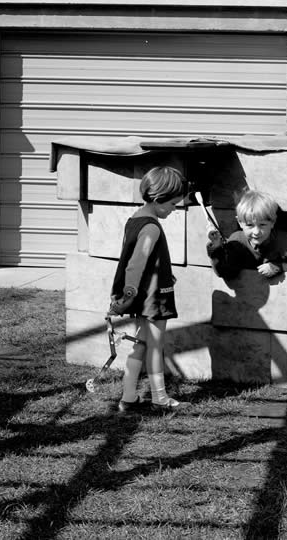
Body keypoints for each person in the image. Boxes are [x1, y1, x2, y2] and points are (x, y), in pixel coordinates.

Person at [109, 166, 188, 413]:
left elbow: (144, 258)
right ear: (158, 199)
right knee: (155, 346)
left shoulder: (134, 220)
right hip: (153, 299)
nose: (175, 209)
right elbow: (136, 263)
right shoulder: (152, 227)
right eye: (174, 204)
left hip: (147, 295)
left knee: (141, 344)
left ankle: (129, 397)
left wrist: (166, 273)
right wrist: (130, 292)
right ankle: (160, 398)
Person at [206, 189, 287, 279]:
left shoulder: (286, 243)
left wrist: (279, 266)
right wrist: (216, 251)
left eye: (262, 225)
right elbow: (224, 272)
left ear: (272, 222)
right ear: (240, 222)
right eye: (250, 225)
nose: (256, 232)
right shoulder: (236, 240)